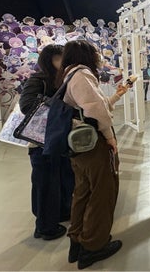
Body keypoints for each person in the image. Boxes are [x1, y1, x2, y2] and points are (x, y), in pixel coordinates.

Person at [59, 40, 128, 269]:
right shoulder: (82, 75)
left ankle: (77, 239)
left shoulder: (68, 74)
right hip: (93, 144)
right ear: (86, 55)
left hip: (79, 146)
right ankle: (94, 246)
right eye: (96, 53)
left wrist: (116, 96)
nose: (99, 57)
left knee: (83, 191)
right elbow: (96, 111)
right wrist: (109, 137)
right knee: (103, 192)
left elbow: (92, 107)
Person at [19, 44, 74, 241]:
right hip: (41, 141)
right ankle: (44, 227)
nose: (63, 63)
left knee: (63, 178)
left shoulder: (64, 79)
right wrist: (61, 109)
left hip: (59, 139)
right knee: (44, 183)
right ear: (48, 61)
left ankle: (60, 213)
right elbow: (26, 105)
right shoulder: (38, 80)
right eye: (58, 59)